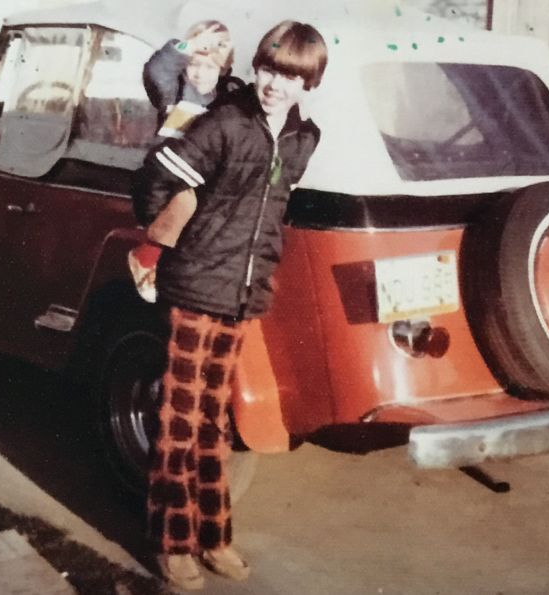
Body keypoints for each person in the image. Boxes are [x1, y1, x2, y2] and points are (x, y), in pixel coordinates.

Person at [133, 20, 328, 591]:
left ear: (308, 84)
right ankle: (172, 543)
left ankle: (214, 536)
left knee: (217, 423)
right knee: (180, 418)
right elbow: (157, 178)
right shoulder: (224, 123)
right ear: (256, 68)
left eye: (289, 76)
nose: (274, 84)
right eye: (268, 69)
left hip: (244, 294)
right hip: (197, 285)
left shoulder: (303, 139)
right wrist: (167, 237)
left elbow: (274, 209)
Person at [128, 20, 243, 303]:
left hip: (197, 174)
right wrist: (188, 46)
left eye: (210, 67)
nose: (200, 73)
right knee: (185, 203)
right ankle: (145, 258)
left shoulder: (224, 100)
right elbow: (157, 71)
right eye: (194, 64)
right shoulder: (175, 91)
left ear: (223, 69)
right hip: (166, 172)